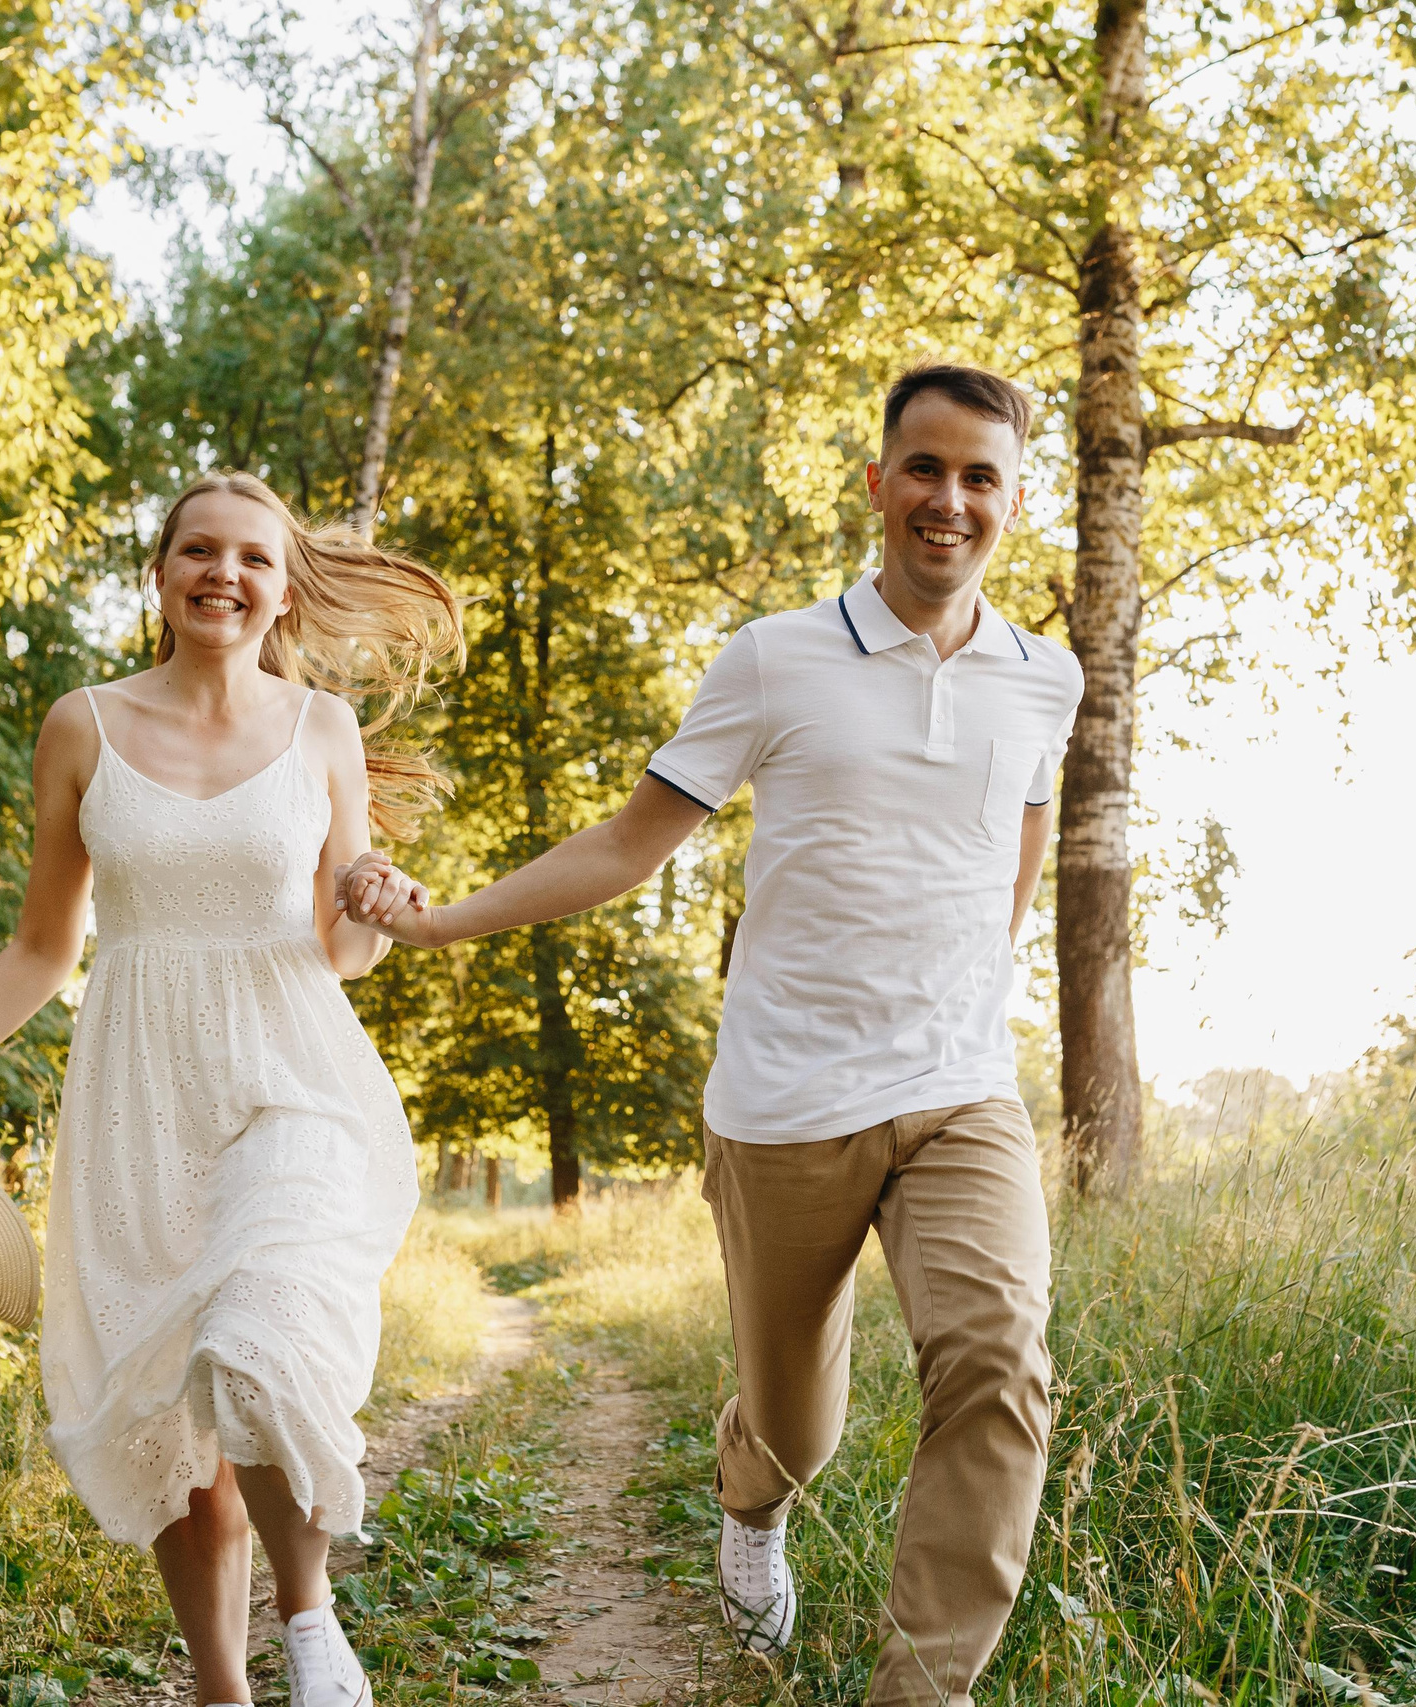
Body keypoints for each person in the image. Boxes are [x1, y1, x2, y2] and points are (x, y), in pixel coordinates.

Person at [346, 363, 1080, 1706]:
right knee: (800, 1426)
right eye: (925, 466)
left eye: (982, 475)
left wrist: (966, 987)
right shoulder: (777, 656)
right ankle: (752, 1500)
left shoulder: (1048, 678)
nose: (950, 499)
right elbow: (631, 843)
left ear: (1015, 502)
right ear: (877, 481)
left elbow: (1016, 844)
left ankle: (921, 1689)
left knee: (998, 1358)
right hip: (785, 1102)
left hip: (962, 1089)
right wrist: (437, 923)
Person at [0, 472, 457, 1707]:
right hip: (141, 1094)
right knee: (178, 1414)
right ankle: (222, 1687)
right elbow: (41, 948)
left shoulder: (322, 728)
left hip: (294, 1074)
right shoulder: (83, 725)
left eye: (252, 559)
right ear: (160, 570)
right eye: (198, 552)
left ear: (283, 590)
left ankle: (311, 1617)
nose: (223, 575)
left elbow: (342, 948)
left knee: (256, 1336)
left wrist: (374, 907)